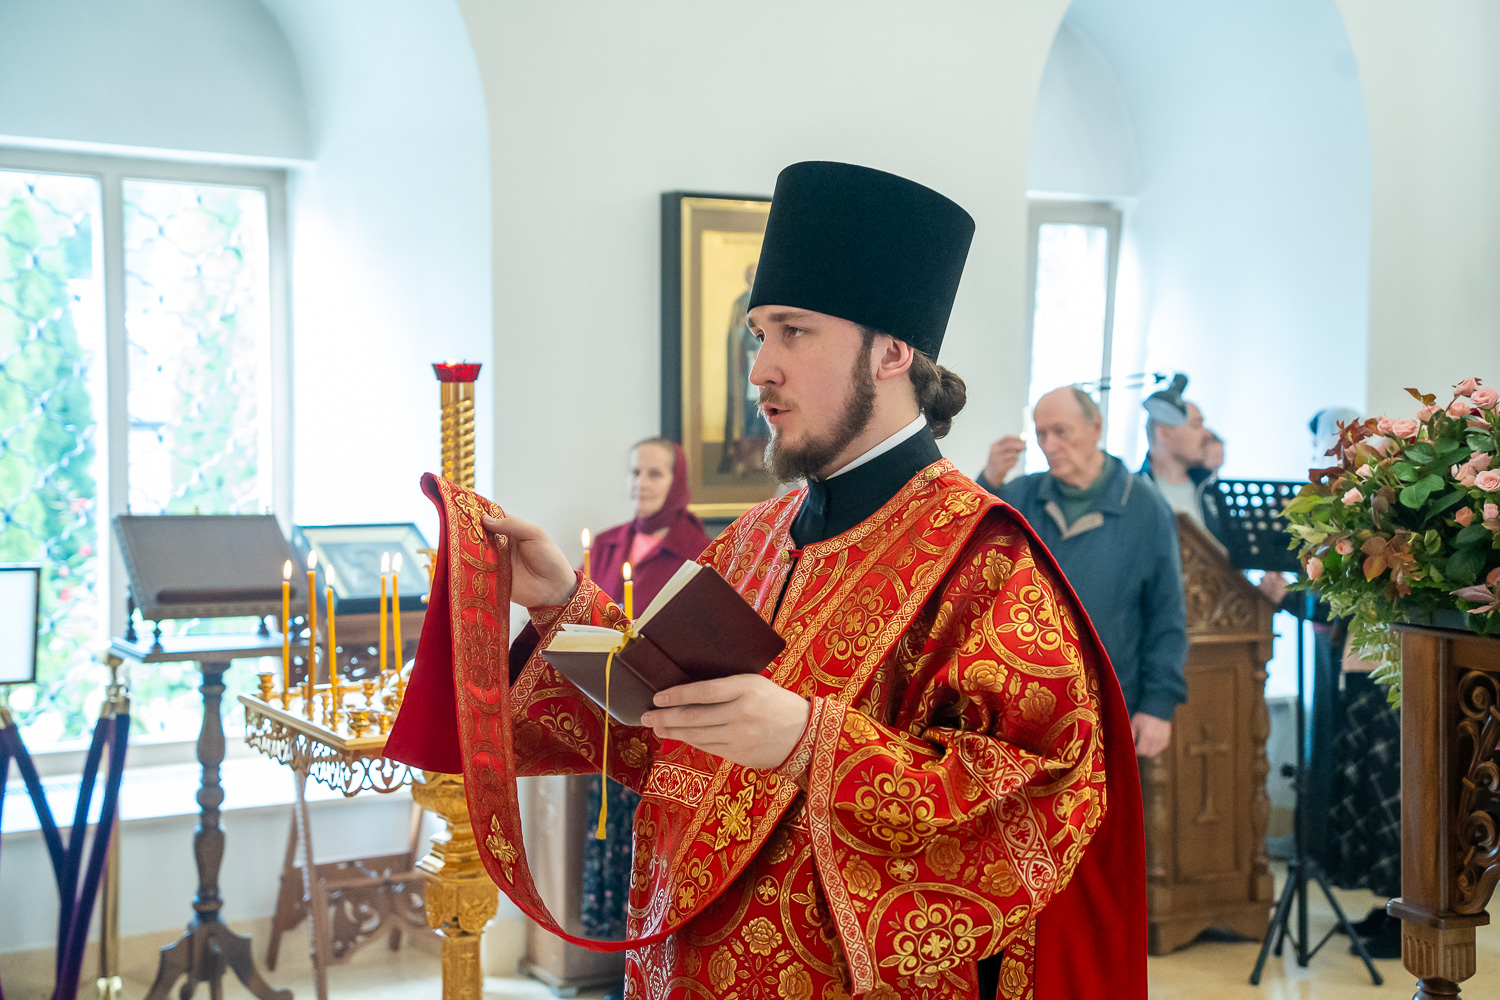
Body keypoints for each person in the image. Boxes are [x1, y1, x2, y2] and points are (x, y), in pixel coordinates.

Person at [389, 161, 1147, 1000]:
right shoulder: (756, 537)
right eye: (759, 335)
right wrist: (561, 604)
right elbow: (664, 736)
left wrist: (813, 744)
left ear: (892, 352)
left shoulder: (985, 560)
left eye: (794, 332)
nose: (760, 370)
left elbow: (1041, 795)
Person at [976, 387, 1188, 758]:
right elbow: (971, 565)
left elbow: (1166, 615)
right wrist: (988, 481)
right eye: (1041, 434)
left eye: (1061, 431)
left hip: (1108, 705)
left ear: (1096, 427)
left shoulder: (1145, 508)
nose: (1050, 445)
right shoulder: (1020, 496)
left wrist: (1158, 706)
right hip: (1023, 706)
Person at [578, 438, 713, 984]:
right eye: (636, 472)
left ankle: (651, 971)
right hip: (606, 719)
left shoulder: (699, 549)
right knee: (610, 846)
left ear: (676, 483)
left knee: (653, 854)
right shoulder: (608, 544)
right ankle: (616, 971)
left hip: (662, 730)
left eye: (655, 474)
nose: (641, 483)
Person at [1140, 399, 1226, 542]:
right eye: (1196, 425)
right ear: (1165, 433)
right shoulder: (1131, 493)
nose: (1206, 434)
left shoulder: (1211, 493)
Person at [719, 263, 771, 476]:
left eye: (756, 274)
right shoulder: (740, 302)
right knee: (749, 412)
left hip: (766, 365)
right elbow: (735, 335)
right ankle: (746, 460)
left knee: (765, 412)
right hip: (746, 368)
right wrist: (742, 329)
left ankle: (765, 460)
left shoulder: (770, 301)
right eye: (750, 275)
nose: (753, 278)